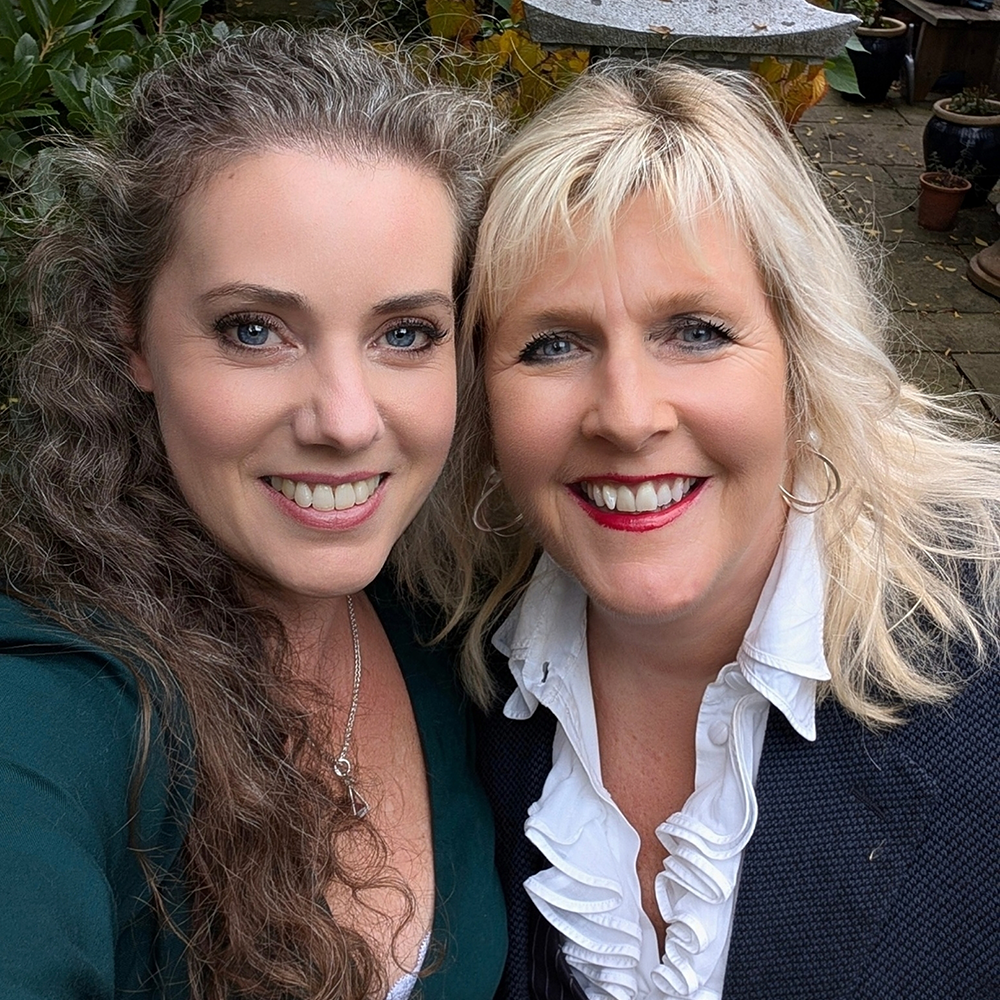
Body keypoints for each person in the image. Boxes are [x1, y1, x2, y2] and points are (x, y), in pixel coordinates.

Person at [434, 60, 1000, 998]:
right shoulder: (441, 662)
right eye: (553, 344)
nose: (627, 417)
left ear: (801, 360)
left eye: (695, 331)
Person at [0, 27, 507, 1000]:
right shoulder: (53, 711)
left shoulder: (451, 637)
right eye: (254, 330)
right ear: (130, 332)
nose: (345, 420)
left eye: (405, 333)